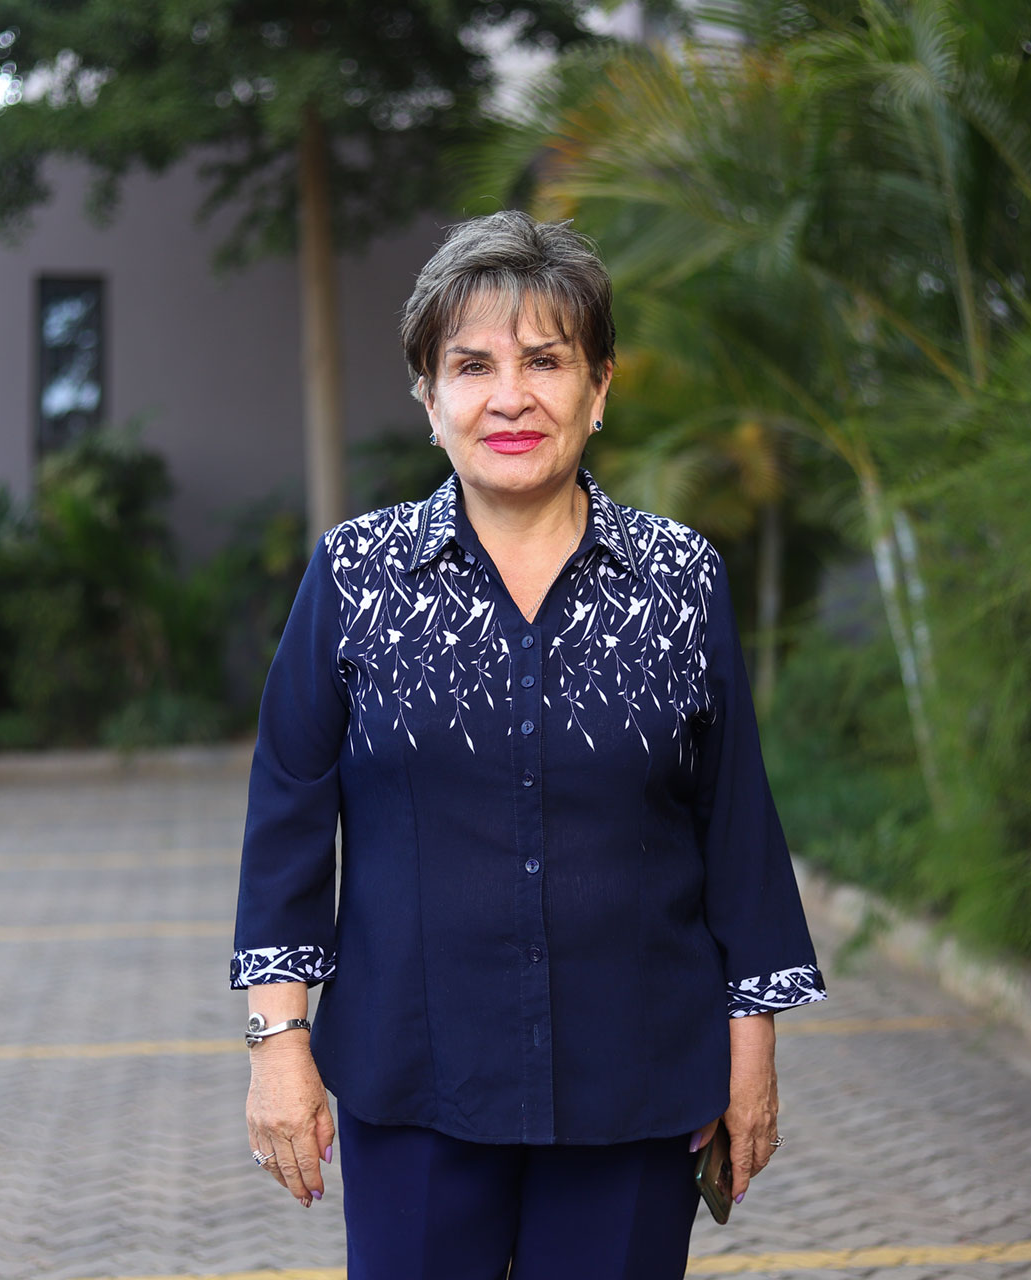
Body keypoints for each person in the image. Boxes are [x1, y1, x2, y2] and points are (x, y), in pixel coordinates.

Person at [231, 209, 827, 1279]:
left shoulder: (680, 580)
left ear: (599, 388)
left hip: (637, 1085)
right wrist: (279, 1043)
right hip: (411, 1082)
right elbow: (287, 807)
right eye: (473, 365)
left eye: (546, 359)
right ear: (429, 397)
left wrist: (753, 1047)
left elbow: (733, 820)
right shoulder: (357, 576)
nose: (511, 395)